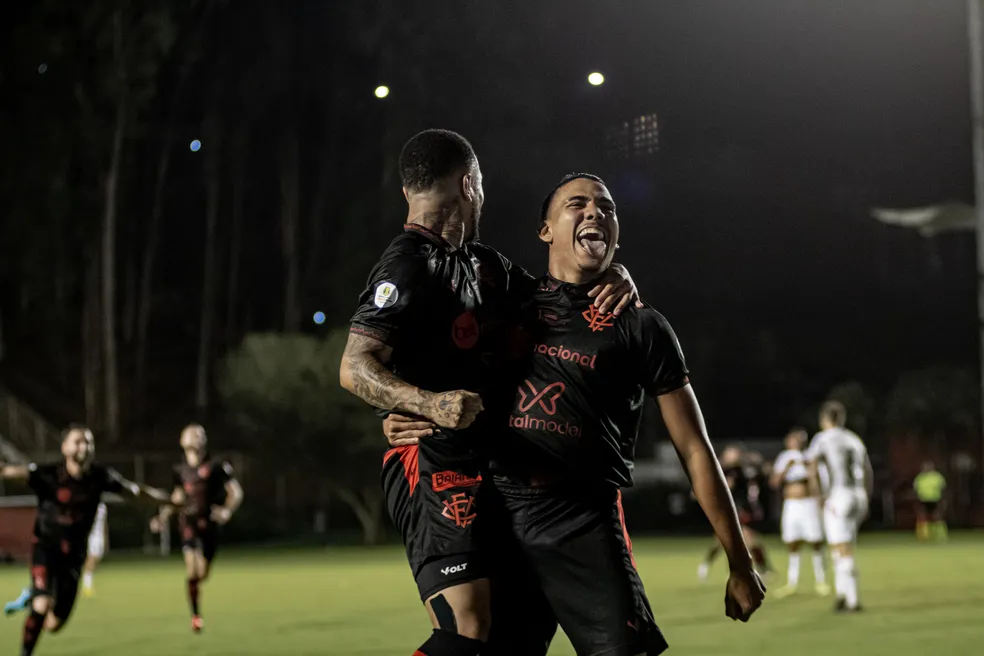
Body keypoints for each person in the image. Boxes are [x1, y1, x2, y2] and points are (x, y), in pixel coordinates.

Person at [385, 173, 765, 655]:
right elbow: (431, 358)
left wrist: (739, 560)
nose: (595, 212)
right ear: (545, 230)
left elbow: (694, 449)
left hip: (583, 520)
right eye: (577, 204)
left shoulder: (641, 326)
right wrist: (405, 407)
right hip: (500, 510)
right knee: (469, 644)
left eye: (607, 207)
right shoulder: (504, 304)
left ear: (617, 235)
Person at [339, 131, 640, 656]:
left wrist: (615, 271)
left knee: (517, 631)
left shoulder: (486, 266)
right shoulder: (406, 263)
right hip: (432, 459)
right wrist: (426, 403)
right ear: (469, 184)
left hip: (499, 470)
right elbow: (354, 367)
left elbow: (561, 297)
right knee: (467, 622)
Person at [0, 424, 169, 656]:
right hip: (45, 550)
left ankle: (33, 595)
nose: (84, 447)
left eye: (88, 442)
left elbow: (136, 492)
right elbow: (10, 472)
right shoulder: (47, 474)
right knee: (42, 607)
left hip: (74, 558)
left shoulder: (101, 477)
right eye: (78, 441)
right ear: (64, 447)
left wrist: (168, 501)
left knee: (53, 625)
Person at [150, 424, 243, 633]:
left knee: (203, 574)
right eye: (189, 434)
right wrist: (163, 517)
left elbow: (235, 492)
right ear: (182, 441)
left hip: (209, 525)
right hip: (188, 523)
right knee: (192, 570)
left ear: (204, 440)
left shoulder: (217, 466)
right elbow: (177, 496)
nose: (193, 437)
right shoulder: (180, 471)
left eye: (198, 434)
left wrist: (227, 510)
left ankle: (195, 589)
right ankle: (195, 616)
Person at [807, 400, 872, 613]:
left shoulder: (823, 438)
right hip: (858, 495)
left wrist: (819, 497)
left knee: (842, 549)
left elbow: (812, 468)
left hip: (838, 494)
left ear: (826, 419)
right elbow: (868, 471)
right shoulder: (854, 439)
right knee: (840, 545)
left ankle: (852, 600)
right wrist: (866, 498)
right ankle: (842, 595)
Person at [770, 428, 829, 598]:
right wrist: (786, 469)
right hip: (792, 504)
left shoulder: (810, 457)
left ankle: (821, 580)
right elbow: (774, 482)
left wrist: (810, 470)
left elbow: (818, 480)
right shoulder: (784, 458)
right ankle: (792, 582)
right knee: (792, 542)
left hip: (809, 503)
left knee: (815, 540)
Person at [698, 446, 770, 581]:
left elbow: (760, 472)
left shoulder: (742, 470)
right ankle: (706, 564)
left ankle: (758, 569)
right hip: (727, 509)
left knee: (750, 540)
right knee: (720, 542)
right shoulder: (722, 469)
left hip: (742, 509)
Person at [913, 461, 946, 542]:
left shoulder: (937, 477)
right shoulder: (919, 478)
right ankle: (923, 535)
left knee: (937, 517)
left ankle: (940, 535)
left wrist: (943, 500)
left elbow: (943, 489)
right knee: (922, 516)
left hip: (935, 499)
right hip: (923, 499)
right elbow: (916, 490)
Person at [81, 502, 108, 597]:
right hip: (91, 535)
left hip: (99, 536)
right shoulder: (87, 505)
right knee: (92, 558)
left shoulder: (102, 507)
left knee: (96, 559)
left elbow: (104, 524)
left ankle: (87, 582)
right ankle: (87, 586)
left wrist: (106, 538)